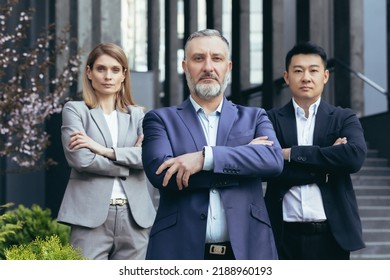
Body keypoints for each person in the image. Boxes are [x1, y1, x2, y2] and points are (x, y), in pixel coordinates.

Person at [142, 29, 284, 260]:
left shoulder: (255, 117)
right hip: (178, 251)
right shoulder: (159, 119)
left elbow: (273, 162)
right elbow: (163, 175)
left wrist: (204, 158)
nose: (208, 67)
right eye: (199, 59)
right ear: (185, 66)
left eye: (216, 58)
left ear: (228, 67)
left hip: (248, 250)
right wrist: (245, 159)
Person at [264, 42, 367, 260]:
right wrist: (327, 164)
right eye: (298, 71)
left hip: (331, 236)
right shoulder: (270, 119)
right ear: (286, 76)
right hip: (282, 236)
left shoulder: (343, 117)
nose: (306, 77)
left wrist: (289, 154)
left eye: (313, 70)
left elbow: (354, 157)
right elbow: (266, 166)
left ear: (325, 76)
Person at [57, 43, 156, 260]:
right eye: (101, 69)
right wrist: (127, 164)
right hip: (89, 218)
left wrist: (101, 150)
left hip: (135, 218)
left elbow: (147, 158)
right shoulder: (75, 110)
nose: (108, 76)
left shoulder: (138, 115)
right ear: (89, 72)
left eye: (115, 69)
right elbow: (82, 160)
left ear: (124, 75)